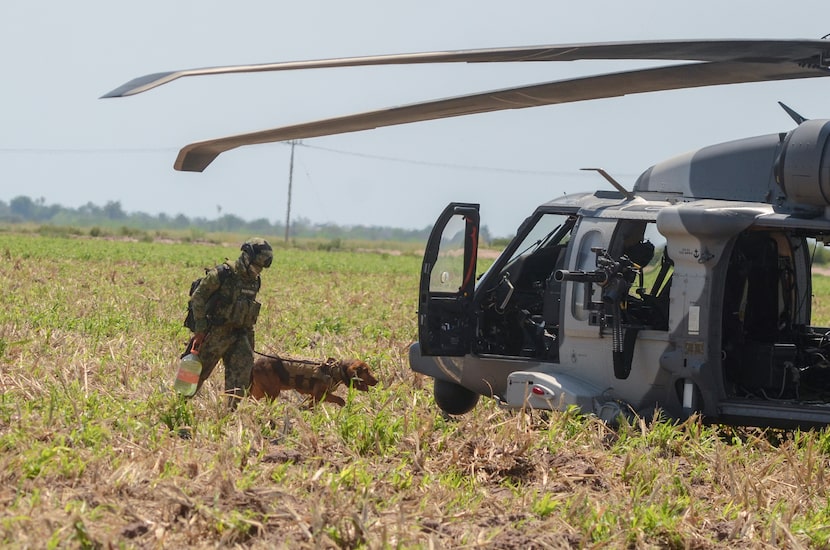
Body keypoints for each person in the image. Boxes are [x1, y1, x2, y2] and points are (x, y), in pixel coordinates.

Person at [187, 238, 273, 407]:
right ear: (247, 258)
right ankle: (178, 408)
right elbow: (198, 297)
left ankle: (231, 416)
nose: (258, 271)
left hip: (240, 335)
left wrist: (249, 341)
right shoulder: (222, 274)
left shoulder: (255, 281)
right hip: (215, 333)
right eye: (256, 266)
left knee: (241, 377)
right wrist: (200, 328)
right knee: (194, 374)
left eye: (261, 268)